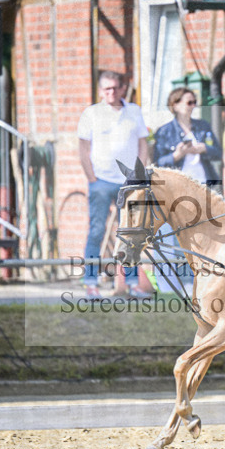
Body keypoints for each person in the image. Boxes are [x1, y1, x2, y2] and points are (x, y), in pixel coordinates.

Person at [77, 70, 155, 299]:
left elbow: (143, 144)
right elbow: (82, 147)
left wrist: (139, 175)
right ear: (101, 91)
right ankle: (90, 282)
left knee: (131, 233)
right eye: (106, 89)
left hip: (128, 182)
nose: (111, 93)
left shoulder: (134, 112)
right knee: (97, 231)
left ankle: (132, 283)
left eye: (114, 88)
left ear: (121, 88)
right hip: (100, 181)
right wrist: (91, 178)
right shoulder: (91, 113)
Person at [152, 87, 223, 191]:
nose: (193, 106)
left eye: (195, 102)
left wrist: (204, 148)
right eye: (189, 103)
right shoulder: (164, 131)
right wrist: (177, 155)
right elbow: (157, 163)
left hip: (203, 184)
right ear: (175, 105)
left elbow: (218, 153)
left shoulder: (203, 126)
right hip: (177, 186)